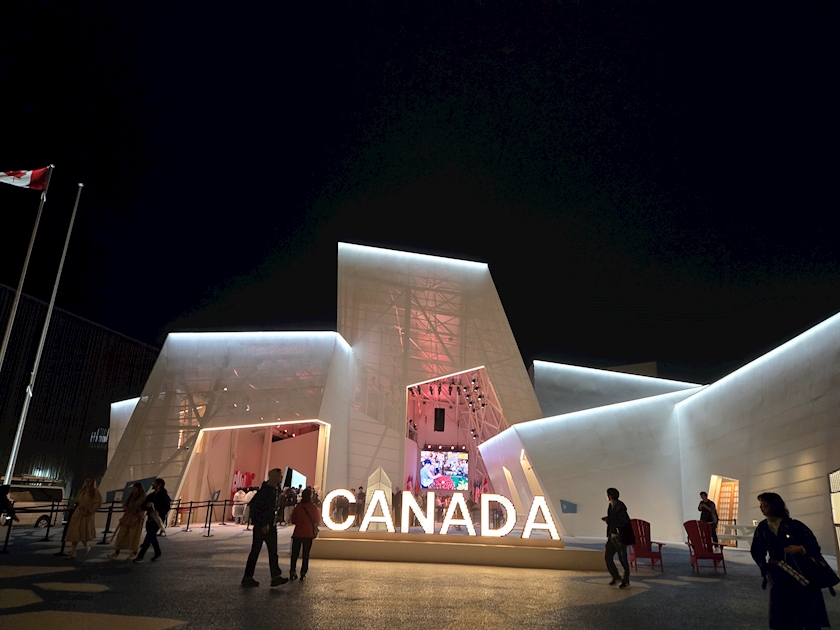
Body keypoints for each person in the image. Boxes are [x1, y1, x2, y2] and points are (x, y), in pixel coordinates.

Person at [750, 492, 830, 630]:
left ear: (774, 506)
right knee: (781, 612)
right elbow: (757, 550)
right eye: (761, 505)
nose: (761, 508)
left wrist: (800, 548)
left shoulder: (795, 525)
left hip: (800, 572)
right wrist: (765, 568)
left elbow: (813, 546)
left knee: (804, 610)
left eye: (765, 505)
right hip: (778, 574)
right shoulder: (763, 527)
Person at [241, 469, 289, 587]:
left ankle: (274, 576)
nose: (281, 478)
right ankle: (249, 577)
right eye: (280, 476)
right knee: (257, 551)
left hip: (269, 525)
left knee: (271, 552)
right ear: (274, 477)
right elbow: (256, 508)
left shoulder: (272, 490)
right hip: (263, 526)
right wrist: (263, 523)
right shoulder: (265, 491)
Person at [134, 478, 170, 563]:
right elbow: (144, 506)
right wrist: (147, 505)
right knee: (152, 536)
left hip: (157, 519)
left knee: (149, 537)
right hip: (150, 518)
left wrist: (159, 511)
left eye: (155, 483)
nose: (153, 484)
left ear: (159, 485)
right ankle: (157, 552)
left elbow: (167, 507)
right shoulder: (151, 495)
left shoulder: (164, 496)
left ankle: (140, 556)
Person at [602, 487, 632, 588]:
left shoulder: (620, 507)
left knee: (622, 558)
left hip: (620, 536)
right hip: (613, 535)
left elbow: (621, 521)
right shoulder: (611, 506)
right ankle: (616, 576)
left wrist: (609, 521)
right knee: (608, 556)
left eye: (607, 494)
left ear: (609, 496)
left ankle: (626, 581)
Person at [65, 478, 103, 559]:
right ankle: (73, 552)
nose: (87, 483)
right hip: (78, 512)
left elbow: (98, 502)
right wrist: (74, 501)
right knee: (75, 532)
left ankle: (85, 547)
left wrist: (91, 511)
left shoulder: (95, 491)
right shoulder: (82, 491)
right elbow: (78, 500)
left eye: (89, 481)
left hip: (86, 514)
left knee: (83, 532)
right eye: (86, 481)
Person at [289, 487, 321, 581]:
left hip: (298, 533)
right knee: (306, 554)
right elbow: (316, 520)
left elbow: (293, 520)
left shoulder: (298, 507)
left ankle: (292, 571)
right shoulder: (313, 507)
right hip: (308, 533)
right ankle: (303, 573)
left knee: (294, 554)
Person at [109, 483, 146, 560]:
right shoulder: (131, 496)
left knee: (134, 536)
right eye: (133, 488)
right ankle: (117, 551)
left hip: (136, 519)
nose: (133, 490)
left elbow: (141, 508)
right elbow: (125, 504)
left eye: (135, 488)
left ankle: (134, 552)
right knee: (121, 534)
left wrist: (134, 511)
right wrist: (126, 508)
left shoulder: (142, 497)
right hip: (128, 518)